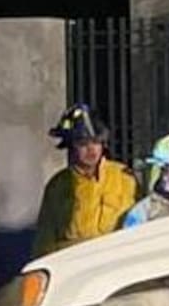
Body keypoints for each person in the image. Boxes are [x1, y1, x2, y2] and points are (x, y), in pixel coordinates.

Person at [33, 104, 137, 257]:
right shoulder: (59, 185)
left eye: (96, 142)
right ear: (70, 146)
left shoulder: (124, 177)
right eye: (82, 144)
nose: (91, 149)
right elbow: (44, 240)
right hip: (75, 265)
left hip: (116, 261)